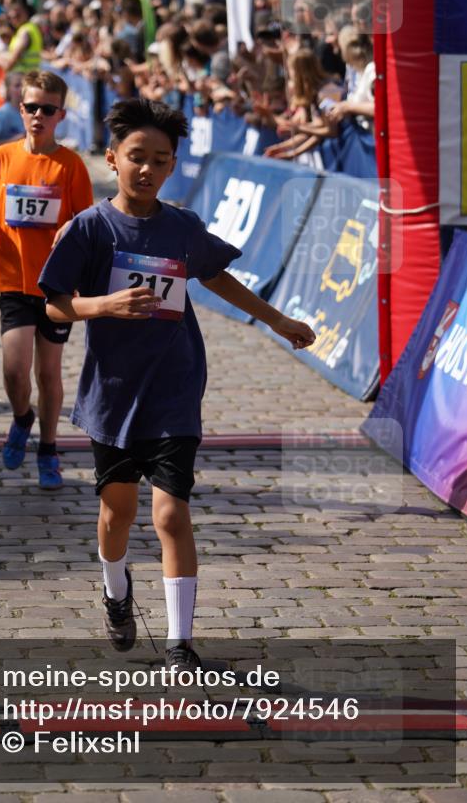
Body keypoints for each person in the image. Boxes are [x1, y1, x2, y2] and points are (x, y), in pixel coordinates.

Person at [38, 97, 315, 669]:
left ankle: (179, 642)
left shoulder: (182, 226)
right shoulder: (89, 229)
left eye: (160, 160)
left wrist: (278, 320)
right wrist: (105, 305)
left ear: (171, 167)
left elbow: (217, 278)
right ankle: (116, 592)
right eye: (136, 157)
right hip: (113, 396)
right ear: (112, 159)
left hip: (175, 387)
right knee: (118, 513)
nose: (147, 168)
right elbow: (56, 308)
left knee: (170, 515)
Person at [0, 70, 93, 488]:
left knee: (49, 374)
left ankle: (48, 449)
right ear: (19, 109)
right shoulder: (1, 157)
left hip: (55, 284)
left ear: (60, 114)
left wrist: (71, 229)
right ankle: (22, 417)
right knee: (14, 368)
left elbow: (85, 220)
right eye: (31, 107)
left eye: (48, 109)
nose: (38, 115)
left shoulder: (71, 165)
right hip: (12, 277)